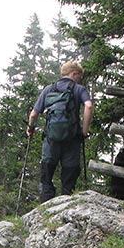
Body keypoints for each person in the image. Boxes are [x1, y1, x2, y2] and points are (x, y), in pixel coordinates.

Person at [26, 61, 93, 202]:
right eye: (79, 76)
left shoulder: (48, 89)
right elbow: (88, 106)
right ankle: (65, 208)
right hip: (72, 139)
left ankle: (45, 209)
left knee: (46, 178)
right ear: (74, 74)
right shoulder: (79, 89)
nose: (80, 79)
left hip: (51, 140)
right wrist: (84, 131)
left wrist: (31, 128)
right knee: (69, 180)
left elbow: (33, 115)